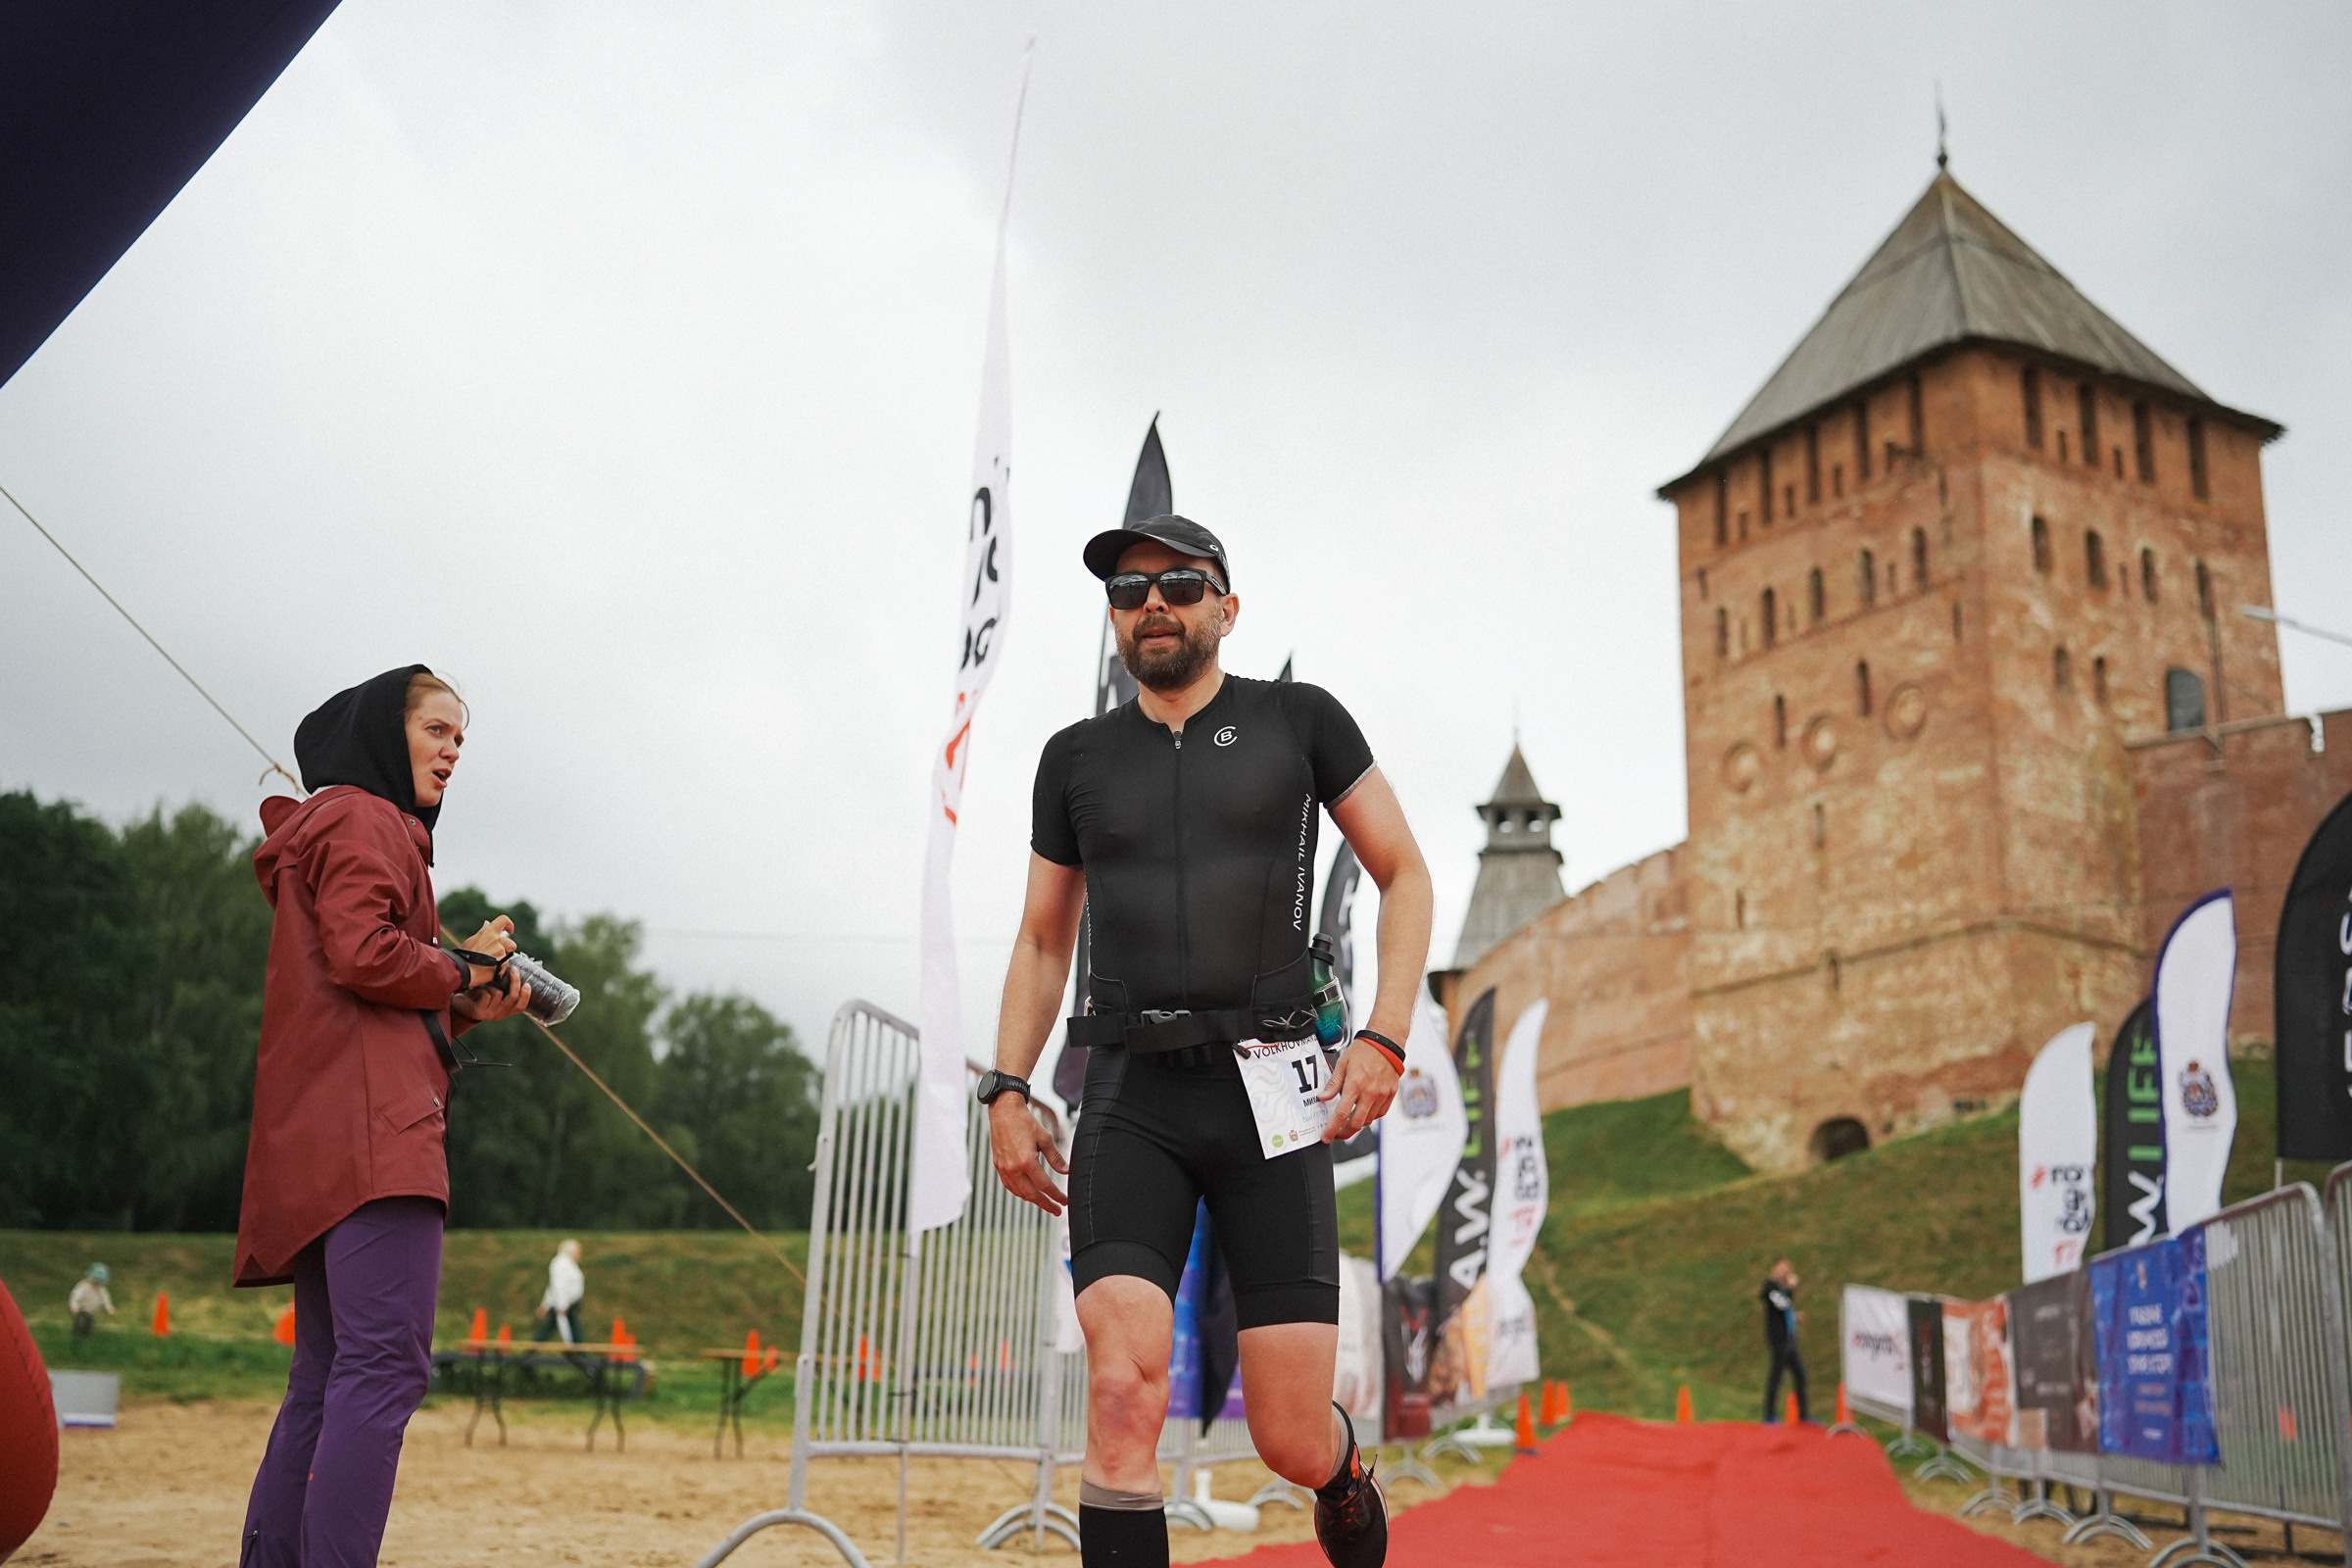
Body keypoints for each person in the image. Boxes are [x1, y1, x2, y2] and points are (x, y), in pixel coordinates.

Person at [983, 516, 1434, 1568]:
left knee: (1285, 1435)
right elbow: (1045, 939)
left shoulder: (1302, 721)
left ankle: (1342, 1468)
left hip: (1273, 1089)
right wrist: (1007, 1089)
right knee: (1119, 1384)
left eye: (1180, 582)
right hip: (1133, 1093)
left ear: (1227, 607)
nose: (1153, 603)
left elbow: (1403, 872)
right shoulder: (1077, 760)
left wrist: (1386, 1038)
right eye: (1128, 590)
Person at [234, 666, 533, 1568]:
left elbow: (352, 987)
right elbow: (368, 951)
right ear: (381, 730)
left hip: (320, 1140)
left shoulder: (330, 827)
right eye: (438, 730)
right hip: (377, 1146)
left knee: (326, 1380)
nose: (452, 751)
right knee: (382, 1372)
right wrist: (467, 968)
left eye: (461, 740)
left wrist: (461, 1006)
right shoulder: (367, 818)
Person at [1761, 1257, 1807, 1423]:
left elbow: (1785, 1308)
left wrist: (1794, 1317)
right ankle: (1769, 1414)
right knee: (1776, 1376)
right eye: (1784, 1267)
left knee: (1800, 1375)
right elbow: (1780, 1304)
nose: (1787, 1272)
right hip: (1778, 1340)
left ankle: (1804, 1414)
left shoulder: (1781, 1288)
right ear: (1776, 1267)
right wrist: (1789, 1288)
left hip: (1790, 1339)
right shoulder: (1770, 1287)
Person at [534, 1240, 585, 1345]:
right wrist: (562, 1306)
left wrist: (545, 1305)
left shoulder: (566, 1263)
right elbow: (559, 1286)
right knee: (570, 1333)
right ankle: (579, 1356)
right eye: (578, 1251)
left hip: (566, 1306)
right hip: (564, 1306)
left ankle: (529, 1354)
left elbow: (552, 1287)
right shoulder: (562, 1264)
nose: (580, 1255)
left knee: (552, 1330)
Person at [68, 1265, 113, 1338]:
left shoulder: (101, 1289)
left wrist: (109, 1308)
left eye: (100, 1282)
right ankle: (75, 1337)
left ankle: (86, 1338)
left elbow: (105, 1300)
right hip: (81, 1310)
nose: (97, 1284)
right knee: (79, 1324)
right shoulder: (84, 1286)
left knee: (89, 1326)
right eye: (96, 1281)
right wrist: (75, 1306)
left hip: (92, 1312)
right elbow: (75, 1297)